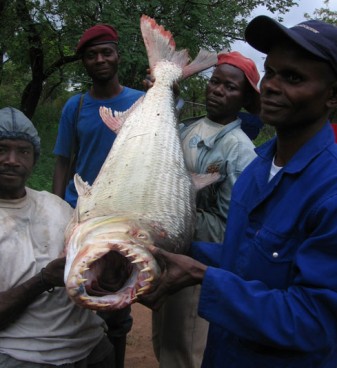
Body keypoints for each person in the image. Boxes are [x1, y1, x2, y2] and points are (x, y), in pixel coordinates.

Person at [141, 16, 337, 367]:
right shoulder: (258, 167)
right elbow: (241, 258)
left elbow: (315, 322)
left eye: (294, 78)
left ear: (332, 96)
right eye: (272, 72)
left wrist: (203, 277)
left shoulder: (330, 191)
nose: (273, 86)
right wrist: (164, 250)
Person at [152, 51, 260, 367]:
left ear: (244, 98)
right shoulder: (188, 128)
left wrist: (174, 215)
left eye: (230, 87)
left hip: (197, 265)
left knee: (185, 349)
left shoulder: (240, 150)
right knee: (164, 342)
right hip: (171, 254)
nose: (218, 90)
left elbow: (230, 227)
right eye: (215, 82)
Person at [52, 24, 144, 368]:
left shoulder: (139, 101)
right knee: (77, 292)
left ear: (118, 55)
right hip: (84, 215)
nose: (100, 59)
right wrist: (58, 207)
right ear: (85, 63)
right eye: (92, 55)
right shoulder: (74, 107)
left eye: (106, 52)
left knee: (116, 300)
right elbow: (62, 161)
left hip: (122, 217)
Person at [0, 106, 115, 367]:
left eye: (23, 151)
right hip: (22, 355)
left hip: (92, 346)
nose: (11, 159)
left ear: (34, 158)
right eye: (2, 149)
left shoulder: (57, 207)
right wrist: (44, 280)